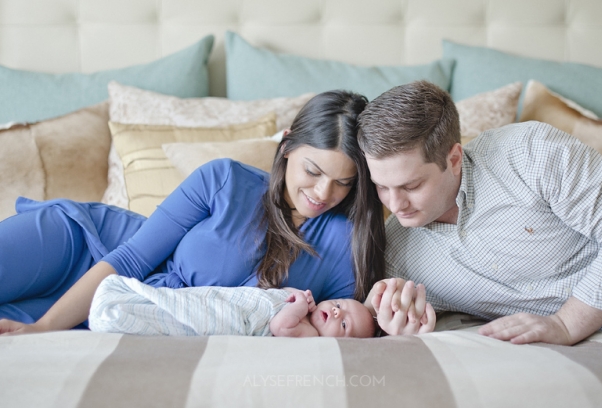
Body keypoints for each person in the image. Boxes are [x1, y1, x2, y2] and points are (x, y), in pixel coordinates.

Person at [0, 90, 386, 335]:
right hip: (83, 245)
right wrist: (46, 328)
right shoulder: (225, 180)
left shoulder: (346, 244)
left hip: (127, 310)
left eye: (344, 182)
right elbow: (133, 256)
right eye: (313, 171)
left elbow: (342, 331)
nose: (323, 193)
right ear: (286, 147)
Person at [359, 80, 602, 345]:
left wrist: (565, 324)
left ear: (454, 159)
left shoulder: (530, 154)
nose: (395, 205)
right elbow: (370, 325)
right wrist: (391, 327)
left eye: (411, 185)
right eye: (382, 187)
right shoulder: (395, 254)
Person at [89, 275, 376, 338]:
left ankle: (123, 313)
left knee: (173, 319)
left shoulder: (311, 336)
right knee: (189, 300)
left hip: (232, 321)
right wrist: (294, 295)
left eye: (343, 324)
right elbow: (273, 297)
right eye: (340, 304)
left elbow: (279, 325)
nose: (337, 311)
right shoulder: (310, 309)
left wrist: (299, 305)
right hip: (227, 301)